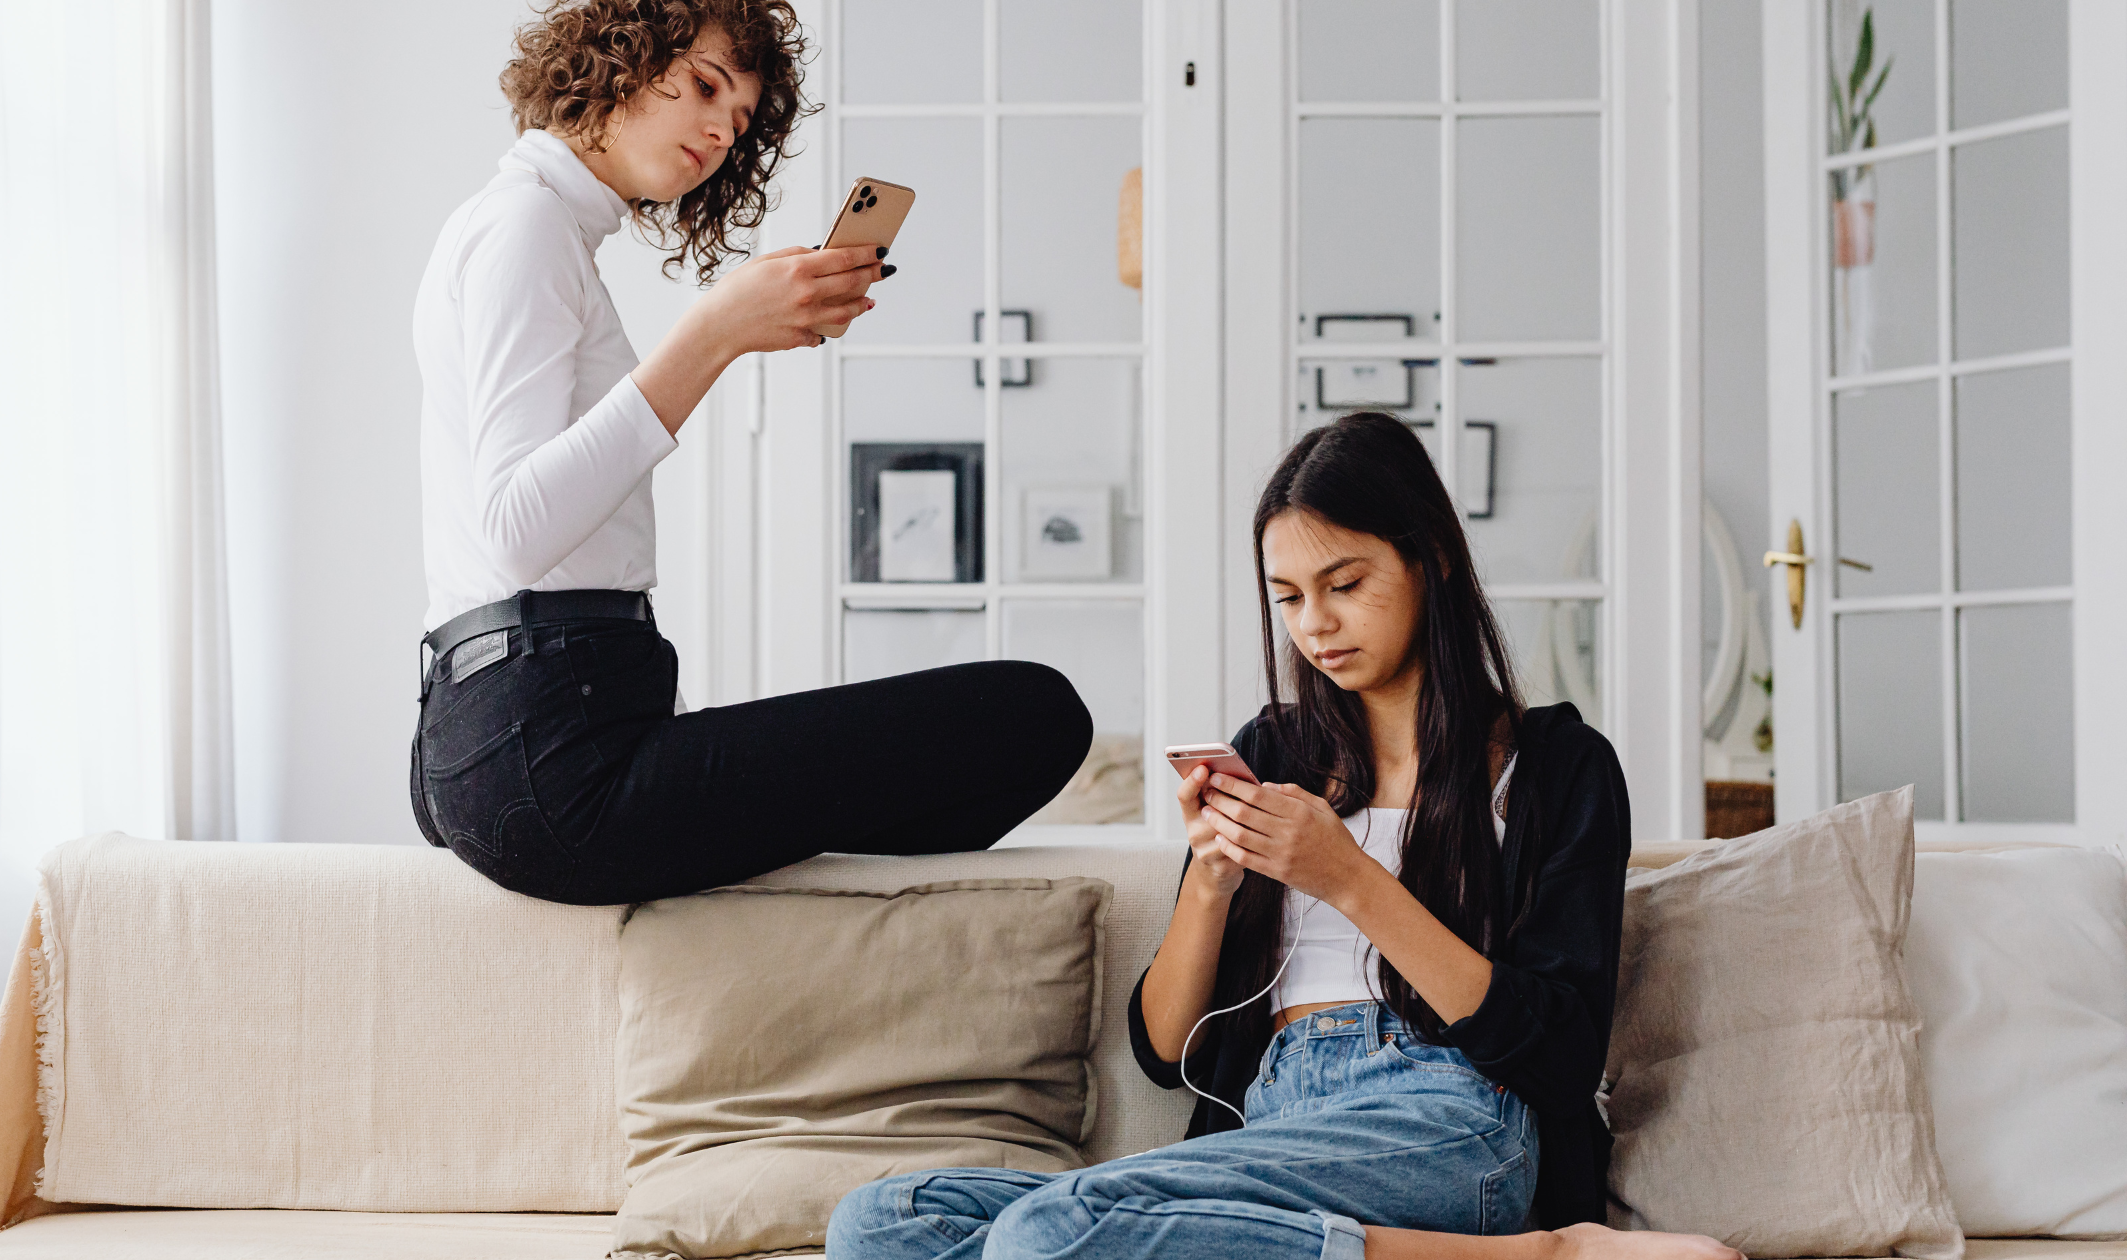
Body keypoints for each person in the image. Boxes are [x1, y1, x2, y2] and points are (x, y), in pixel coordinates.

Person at [827, 414, 1739, 1260]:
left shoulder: (1555, 765)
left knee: (1048, 1232)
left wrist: (1347, 878)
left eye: (1345, 585)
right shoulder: (1275, 753)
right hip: (1272, 1116)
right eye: (1290, 597)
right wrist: (1212, 884)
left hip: (1453, 1116)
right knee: (881, 1223)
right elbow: (1164, 1051)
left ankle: (1551, 1249)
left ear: (1434, 561)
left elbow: (1559, 1050)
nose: (1315, 626)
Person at [410, 0, 1090, 906]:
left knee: (960, 762)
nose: (718, 132)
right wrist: (716, 333)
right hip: (544, 741)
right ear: (616, 58)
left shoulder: (543, 230)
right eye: (701, 86)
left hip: (519, 728)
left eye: (738, 123)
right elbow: (512, 533)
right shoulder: (524, 225)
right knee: (1033, 716)